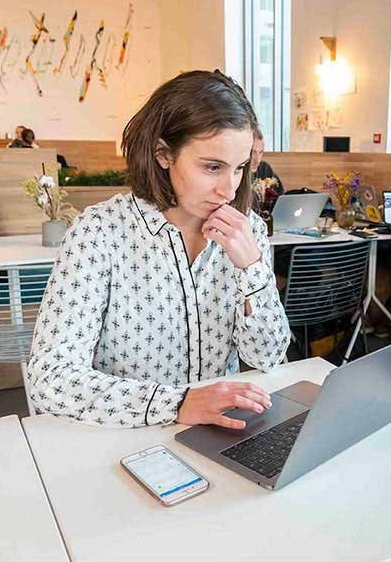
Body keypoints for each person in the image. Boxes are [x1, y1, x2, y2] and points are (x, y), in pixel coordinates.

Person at [28, 70, 291, 428]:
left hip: (220, 434)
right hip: (123, 437)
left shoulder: (250, 231)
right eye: (212, 167)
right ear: (163, 154)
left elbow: (269, 357)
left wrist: (253, 268)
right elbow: (51, 380)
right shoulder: (100, 232)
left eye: (240, 168)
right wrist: (178, 404)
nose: (229, 190)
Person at [251, 126, 284, 194]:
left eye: (260, 152)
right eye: (252, 152)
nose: (257, 160)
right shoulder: (236, 173)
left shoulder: (265, 168)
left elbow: (281, 196)